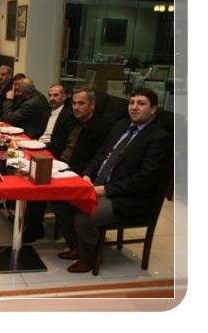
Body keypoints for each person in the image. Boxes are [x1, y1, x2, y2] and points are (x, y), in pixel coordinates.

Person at [52, 88, 172, 273]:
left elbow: (144, 180)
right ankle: (79, 245)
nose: (134, 107)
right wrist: (88, 175)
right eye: (131, 103)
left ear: (153, 109)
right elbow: (101, 154)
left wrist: (104, 190)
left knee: (84, 216)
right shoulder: (121, 126)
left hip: (127, 198)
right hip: (99, 185)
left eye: (141, 104)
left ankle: (89, 258)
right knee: (60, 201)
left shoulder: (159, 138)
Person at [24, 87, 109, 243]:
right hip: (60, 163)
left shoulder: (100, 127)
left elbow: (97, 159)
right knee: (32, 172)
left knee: (40, 183)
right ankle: (31, 222)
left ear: (92, 105)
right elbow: (59, 143)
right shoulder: (72, 121)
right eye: (74, 103)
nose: (76, 107)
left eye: (81, 103)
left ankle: (41, 229)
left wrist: (66, 169)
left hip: (78, 171)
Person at [39, 84, 75, 156]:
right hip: (38, 144)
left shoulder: (69, 116)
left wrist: (41, 145)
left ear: (64, 97)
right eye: (50, 95)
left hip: (51, 150)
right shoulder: (46, 113)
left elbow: (61, 143)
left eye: (55, 95)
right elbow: (39, 132)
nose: (52, 98)